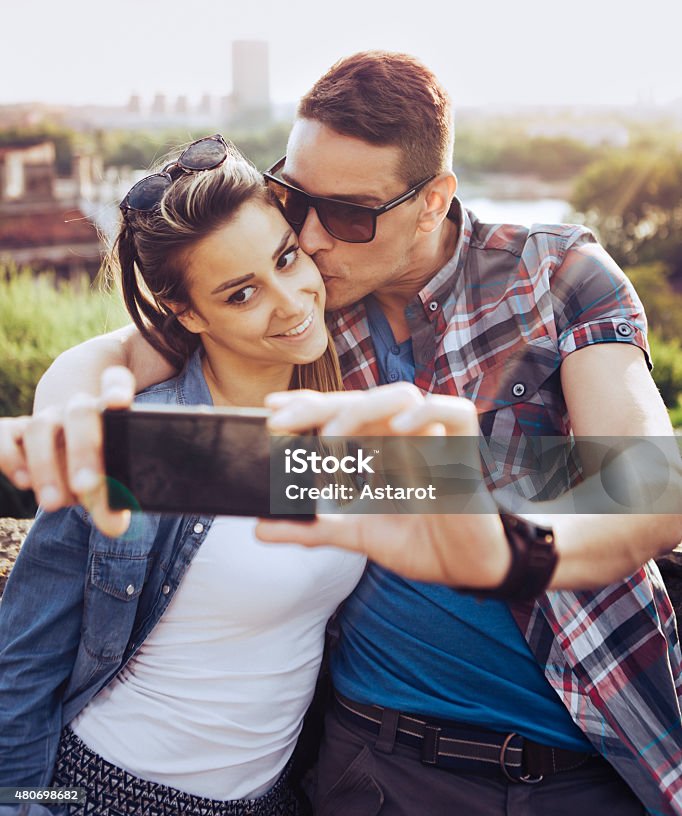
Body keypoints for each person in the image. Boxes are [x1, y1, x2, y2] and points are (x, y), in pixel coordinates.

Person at [2, 51, 682, 814]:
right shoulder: (307, 316)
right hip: (371, 762)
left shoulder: (556, 274)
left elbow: (653, 486)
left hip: (582, 752)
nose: (315, 241)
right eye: (294, 199)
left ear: (433, 201)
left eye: (350, 214)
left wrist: (509, 546)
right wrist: (69, 412)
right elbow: (143, 345)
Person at [0, 137, 368, 816]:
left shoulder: (353, 418)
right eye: (242, 293)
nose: (291, 303)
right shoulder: (140, 445)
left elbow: (591, 491)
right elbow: (21, 665)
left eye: (286, 258)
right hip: (99, 795)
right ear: (190, 314)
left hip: (272, 801)